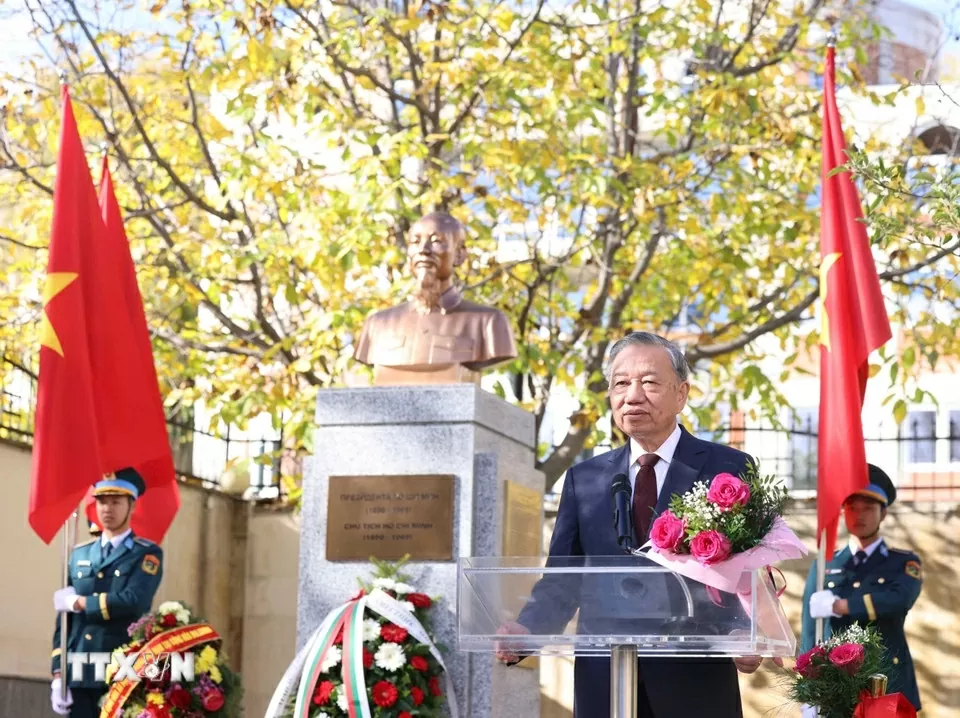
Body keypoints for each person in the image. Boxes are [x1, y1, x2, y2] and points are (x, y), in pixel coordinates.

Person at [496, 331, 777, 718]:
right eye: (621, 383)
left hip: (694, 682)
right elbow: (564, 578)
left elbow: (750, 574)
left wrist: (744, 632)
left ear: (681, 393)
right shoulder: (586, 478)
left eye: (648, 382)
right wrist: (527, 630)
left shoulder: (726, 470)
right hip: (605, 680)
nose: (632, 395)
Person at [801, 464, 922, 712]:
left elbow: (899, 599)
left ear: (884, 513)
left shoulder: (903, 562)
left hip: (888, 679)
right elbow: (809, 629)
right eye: (852, 508)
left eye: (868, 508)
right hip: (836, 683)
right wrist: (807, 687)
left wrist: (840, 605)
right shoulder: (825, 563)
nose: (859, 515)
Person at [50, 468, 165, 717]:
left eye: (116, 501)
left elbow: (134, 601)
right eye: (102, 501)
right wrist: (58, 674)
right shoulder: (79, 554)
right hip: (78, 676)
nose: (107, 509)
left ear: (132, 506)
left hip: (120, 673)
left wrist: (80, 602)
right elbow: (64, 623)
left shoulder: (146, 554)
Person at [352, 212, 517, 375]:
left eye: (436, 241)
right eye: (415, 242)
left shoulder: (488, 323)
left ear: (459, 255)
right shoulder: (377, 325)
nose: (423, 250)